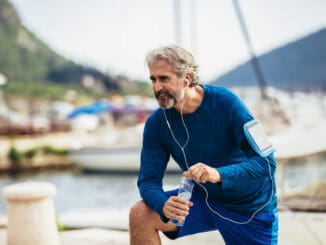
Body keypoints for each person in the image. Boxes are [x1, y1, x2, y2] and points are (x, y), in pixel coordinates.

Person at [129, 44, 278, 245]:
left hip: (249, 206)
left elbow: (267, 164)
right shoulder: (157, 123)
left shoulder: (227, 103)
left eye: (164, 79)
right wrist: (163, 204)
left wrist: (217, 174)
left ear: (186, 79)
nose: (157, 88)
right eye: (153, 80)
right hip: (201, 199)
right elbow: (148, 181)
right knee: (141, 214)